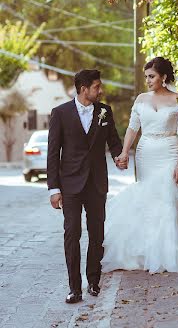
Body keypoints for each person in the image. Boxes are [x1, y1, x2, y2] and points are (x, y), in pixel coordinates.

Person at [101, 56, 178, 274]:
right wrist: (125, 152)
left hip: (169, 152)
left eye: (151, 76)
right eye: (146, 77)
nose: (148, 80)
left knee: (168, 196)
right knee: (149, 197)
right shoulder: (141, 99)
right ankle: (148, 250)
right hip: (146, 154)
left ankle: (173, 252)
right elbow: (132, 129)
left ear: (164, 77)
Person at [47, 69, 127, 304]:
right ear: (84, 89)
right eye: (96, 86)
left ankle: (93, 281)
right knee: (72, 233)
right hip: (70, 185)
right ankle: (74, 288)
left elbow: (113, 140)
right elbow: (53, 153)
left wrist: (118, 157)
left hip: (96, 183)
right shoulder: (60, 113)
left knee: (97, 233)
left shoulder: (104, 111)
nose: (100, 90)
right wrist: (54, 188)